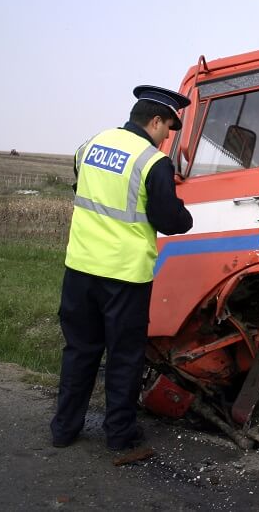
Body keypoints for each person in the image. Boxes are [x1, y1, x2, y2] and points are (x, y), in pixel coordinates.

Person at [50, 85, 193, 451]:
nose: (166, 138)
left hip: (80, 269)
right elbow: (170, 219)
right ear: (155, 121)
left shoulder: (89, 146)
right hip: (124, 278)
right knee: (124, 357)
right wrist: (186, 215)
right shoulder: (151, 162)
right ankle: (120, 434)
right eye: (167, 129)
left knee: (79, 350)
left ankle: (64, 429)